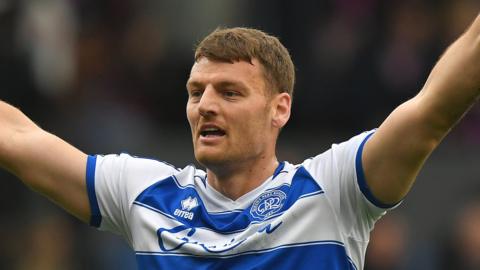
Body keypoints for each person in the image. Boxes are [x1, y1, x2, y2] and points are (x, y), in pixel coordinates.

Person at [0, 12, 479, 269]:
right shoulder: (145, 194)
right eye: (195, 92)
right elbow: (19, 138)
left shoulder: (333, 192)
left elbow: (432, 109)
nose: (205, 105)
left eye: (229, 92)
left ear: (280, 109)